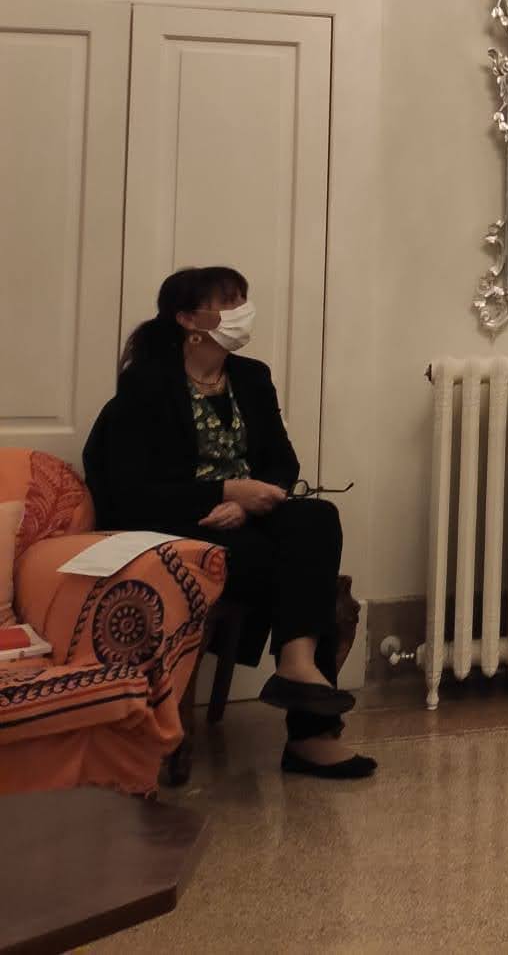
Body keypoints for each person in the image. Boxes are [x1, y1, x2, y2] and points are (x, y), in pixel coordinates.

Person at [82, 266, 373, 779]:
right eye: (228, 301)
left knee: (317, 518)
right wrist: (225, 492)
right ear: (188, 320)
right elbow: (132, 492)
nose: (242, 310)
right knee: (301, 573)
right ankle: (311, 736)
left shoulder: (251, 377)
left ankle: (296, 663)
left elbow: (281, 463)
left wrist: (246, 502)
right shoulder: (147, 384)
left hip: (245, 516)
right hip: (178, 523)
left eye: (243, 298)